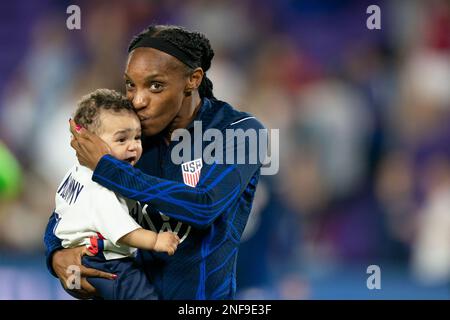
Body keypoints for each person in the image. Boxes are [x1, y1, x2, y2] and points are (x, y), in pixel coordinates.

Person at [44, 24, 267, 300]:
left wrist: (108, 169)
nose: (137, 100)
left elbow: (204, 206)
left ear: (193, 79)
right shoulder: (131, 138)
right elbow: (71, 206)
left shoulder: (239, 132)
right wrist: (56, 254)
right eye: (130, 85)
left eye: (155, 85)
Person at [51, 88, 180, 299]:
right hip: (107, 263)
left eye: (137, 137)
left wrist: (68, 270)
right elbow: (123, 230)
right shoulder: (101, 189)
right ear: (89, 141)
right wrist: (156, 241)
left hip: (81, 261)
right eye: (121, 140)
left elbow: (58, 217)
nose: (133, 147)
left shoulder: (75, 174)